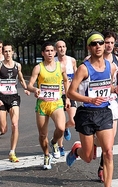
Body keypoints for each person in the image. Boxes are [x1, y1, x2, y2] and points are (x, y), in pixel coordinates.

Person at [66, 31, 118, 187]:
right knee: (88, 157)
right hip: (86, 114)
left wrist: (116, 90)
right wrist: (89, 100)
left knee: (108, 151)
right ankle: (77, 150)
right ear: (89, 47)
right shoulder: (83, 68)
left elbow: (108, 87)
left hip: (104, 112)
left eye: (100, 43)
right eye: (94, 44)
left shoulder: (111, 67)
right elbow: (70, 92)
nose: (98, 46)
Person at [91, 30, 118, 182]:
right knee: (100, 141)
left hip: (112, 103)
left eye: (111, 43)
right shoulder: (93, 59)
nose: (108, 45)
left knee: (110, 142)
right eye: (106, 42)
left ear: (115, 45)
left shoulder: (117, 61)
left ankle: (102, 168)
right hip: (95, 104)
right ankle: (92, 144)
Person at [27, 41, 69, 170]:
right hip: (42, 104)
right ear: (43, 53)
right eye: (47, 51)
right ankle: (46, 155)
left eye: (52, 51)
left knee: (61, 128)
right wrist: (35, 90)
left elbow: (66, 81)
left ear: (55, 52)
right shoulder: (38, 68)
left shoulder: (60, 66)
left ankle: (54, 142)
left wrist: (67, 97)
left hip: (56, 103)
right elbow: (30, 85)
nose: (50, 53)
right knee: (42, 135)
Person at [0, 43, 29, 162]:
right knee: (4, 130)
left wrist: (25, 88)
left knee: (15, 124)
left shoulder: (17, 66)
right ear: (3, 53)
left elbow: (20, 78)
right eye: (5, 51)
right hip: (1, 98)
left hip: (14, 97)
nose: (7, 53)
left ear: (13, 52)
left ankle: (12, 152)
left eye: (9, 51)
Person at [55, 40, 77, 156]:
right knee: (60, 125)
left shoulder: (71, 60)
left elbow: (77, 75)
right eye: (59, 47)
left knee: (73, 120)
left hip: (70, 94)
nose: (62, 49)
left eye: (63, 46)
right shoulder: (52, 62)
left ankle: (66, 127)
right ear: (56, 49)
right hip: (57, 96)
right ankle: (60, 146)